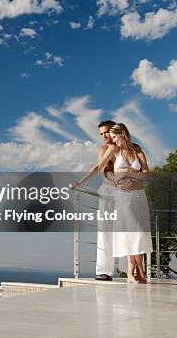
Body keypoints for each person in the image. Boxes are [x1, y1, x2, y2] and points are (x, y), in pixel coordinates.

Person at [98, 123, 153, 283]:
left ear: (122, 133)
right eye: (104, 134)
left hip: (138, 195)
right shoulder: (112, 149)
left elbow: (145, 173)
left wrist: (133, 180)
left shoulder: (136, 148)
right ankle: (131, 272)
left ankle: (140, 271)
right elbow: (103, 170)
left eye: (111, 134)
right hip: (123, 196)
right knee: (131, 231)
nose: (109, 138)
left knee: (140, 233)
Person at [73, 120, 117, 281]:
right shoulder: (104, 149)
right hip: (108, 191)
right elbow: (99, 167)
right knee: (105, 230)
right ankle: (104, 270)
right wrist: (81, 182)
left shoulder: (130, 148)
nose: (104, 136)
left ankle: (131, 269)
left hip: (127, 193)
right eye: (101, 133)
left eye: (106, 132)